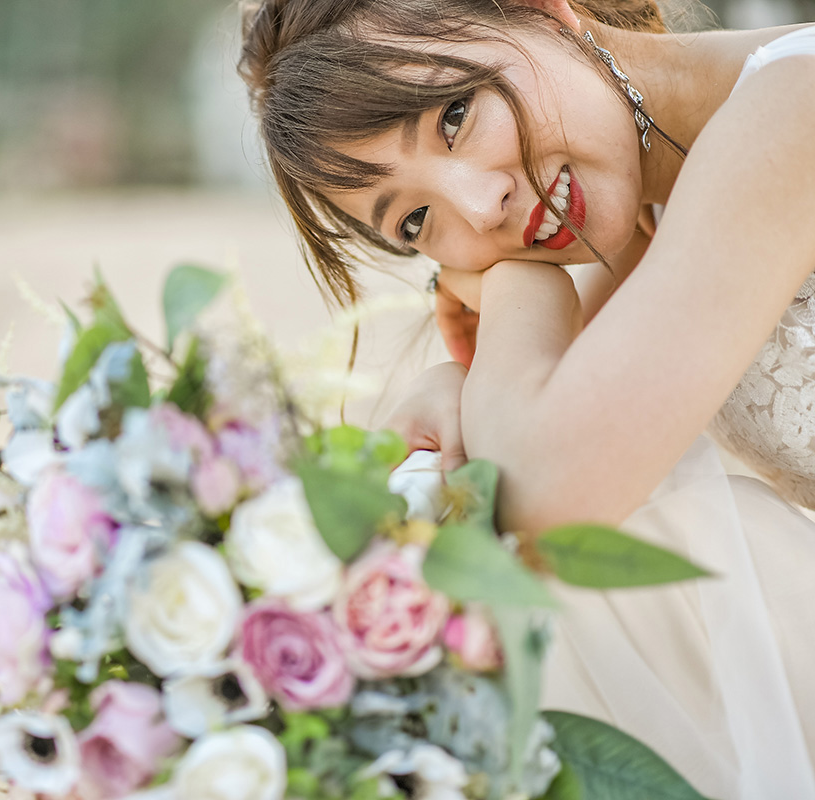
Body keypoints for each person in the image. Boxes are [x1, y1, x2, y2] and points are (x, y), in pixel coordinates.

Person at [238, 0, 815, 796]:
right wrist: (456, 382)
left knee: (611, 575)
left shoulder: (795, 108)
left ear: (545, 12)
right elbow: (539, 427)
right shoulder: (659, 209)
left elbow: (552, 493)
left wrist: (512, 284)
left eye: (455, 117)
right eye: (415, 222)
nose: (479, 209)